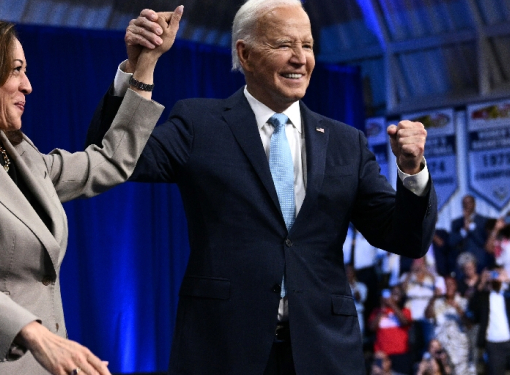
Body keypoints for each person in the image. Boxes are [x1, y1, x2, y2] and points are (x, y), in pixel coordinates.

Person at [87, 0, 437, 373]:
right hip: (223, 350)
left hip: (323, 353)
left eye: (307, 45)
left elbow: (405, 238)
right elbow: (117, 158)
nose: (300, 58)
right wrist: (140, 67)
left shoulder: (345, 143)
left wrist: (412, 170)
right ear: (246, 55)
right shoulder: (200, 123)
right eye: (285, 45)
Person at [0, 10, 180, 375]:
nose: (28, 86)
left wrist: (144, 65)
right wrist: (34, 334)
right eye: (16, 70)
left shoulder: (23, 156)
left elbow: (111, 161)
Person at [467, 266, 510, 375]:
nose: (495, 277)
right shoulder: (484, 297)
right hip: (493, 345)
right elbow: (472, 308)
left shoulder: (507, 295)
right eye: (492, 274)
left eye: (497, 274)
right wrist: (481, 282)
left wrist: (508, 281)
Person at [369, 285, 414, 375]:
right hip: (382, 354)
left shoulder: (405, 310)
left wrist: (392, 305)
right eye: (392, 293)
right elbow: (372, 328)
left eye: (397, 294)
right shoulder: (377, 311)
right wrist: (382, 310)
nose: (394, 296)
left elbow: (405, 322)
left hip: (400, 354)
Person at [449, 195, 492, 272]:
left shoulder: (484, 221)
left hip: (480, 262)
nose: (466, 205)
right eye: (464, 203)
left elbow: (483, 242)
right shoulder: (456, 223)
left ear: (474, 204)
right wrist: (464, 230)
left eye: (469, 202)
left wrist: (471, 227)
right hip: (462, 265)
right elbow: (451, 242)